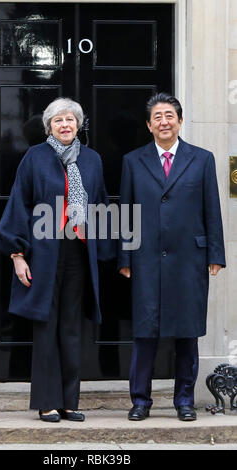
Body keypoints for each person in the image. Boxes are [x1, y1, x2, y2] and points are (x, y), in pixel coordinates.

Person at [0, 97, 112, 423]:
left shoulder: (91, 160)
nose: (65, 125)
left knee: (72, 328)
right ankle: (47, 402)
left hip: (78, 252)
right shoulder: (35, 158)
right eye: (58, 120)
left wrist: (106, 253)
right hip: (43, 253)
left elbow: (100, 206)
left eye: (70, 120)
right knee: (46, 326)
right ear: (49, 126)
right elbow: (18, 204)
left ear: (78, 125)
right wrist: (17, 255)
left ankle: (69, 401)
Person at [118, 92, 226, 422]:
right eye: (158, 117)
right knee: (145, 332)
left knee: (186, 333)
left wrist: (215, 253)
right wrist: (125, 257)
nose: (164, 122)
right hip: (146, 258)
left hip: (189, 260)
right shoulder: (133, 161)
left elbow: (212, 209)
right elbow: (126, 212)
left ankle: (184, 401)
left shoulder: (202, 159)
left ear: (179, 121)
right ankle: (140, 401)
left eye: (170, 115)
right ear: (149, 126)